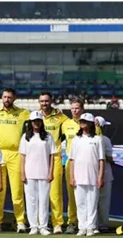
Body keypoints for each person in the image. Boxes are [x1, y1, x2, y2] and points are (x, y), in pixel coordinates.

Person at [0, 88, 30, 232]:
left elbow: (40, 119)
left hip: (16, 153)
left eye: (9, 97)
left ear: (14, 98)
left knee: (17, 192)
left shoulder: (24, 113)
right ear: (1, 97)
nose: (7, 100)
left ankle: (20, 221)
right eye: (5, 97)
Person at [60, 99, 102, 234]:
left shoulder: (95, 130)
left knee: (91, 199)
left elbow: (99, 152)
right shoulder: (65, 124)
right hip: (72, 165)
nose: (74, 110)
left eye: (77, 108)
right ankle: (74, 223)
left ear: (82, 109)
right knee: (74, 197)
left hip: (91, 168)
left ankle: (92, 225)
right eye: (72, 108)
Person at [19, 111, 57, 236]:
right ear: (30, 122)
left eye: (38, 121)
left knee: (44, 201)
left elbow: (52, 156)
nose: (36, 123)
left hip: (44, 173)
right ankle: (33, 226)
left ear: (42, 122)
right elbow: (23, 156)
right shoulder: (25, 137)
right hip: (29, 173)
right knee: (31, 201)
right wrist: (22, 173)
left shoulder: (48, 136)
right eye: (34, 121)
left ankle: (43, 226)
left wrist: (50, 172)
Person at [69, 112, 105, 237]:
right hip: (79, 177)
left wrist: (100, 177)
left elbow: (101, 160)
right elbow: (72, 160)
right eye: (81, 121)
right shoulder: (76, 139)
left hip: (93, 177)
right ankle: (82, 227)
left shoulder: (97, 139)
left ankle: (91, 227)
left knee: (92, 203)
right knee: (80, 203)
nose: (82, 123)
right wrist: (71, 177)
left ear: (90, 124)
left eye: (85, 121)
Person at [38, 92, 68, 234]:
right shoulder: (34, 115)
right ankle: (40, 224)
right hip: (38, 158)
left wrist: (96, 121)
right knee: (38, 193)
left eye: (46, 101)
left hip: (55, 157)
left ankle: (57, 223)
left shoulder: (60, 117)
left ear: (51, 101)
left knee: (55, 193)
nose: (44, 103)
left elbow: (74, 124)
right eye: (42, 101)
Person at [94, 116, 114, 232]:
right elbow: (110, 158)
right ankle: (103, 224)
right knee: (104, 201)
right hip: (105, 174)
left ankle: (94, 224)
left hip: (93, 174)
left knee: (93, 201)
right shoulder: (105, 139)